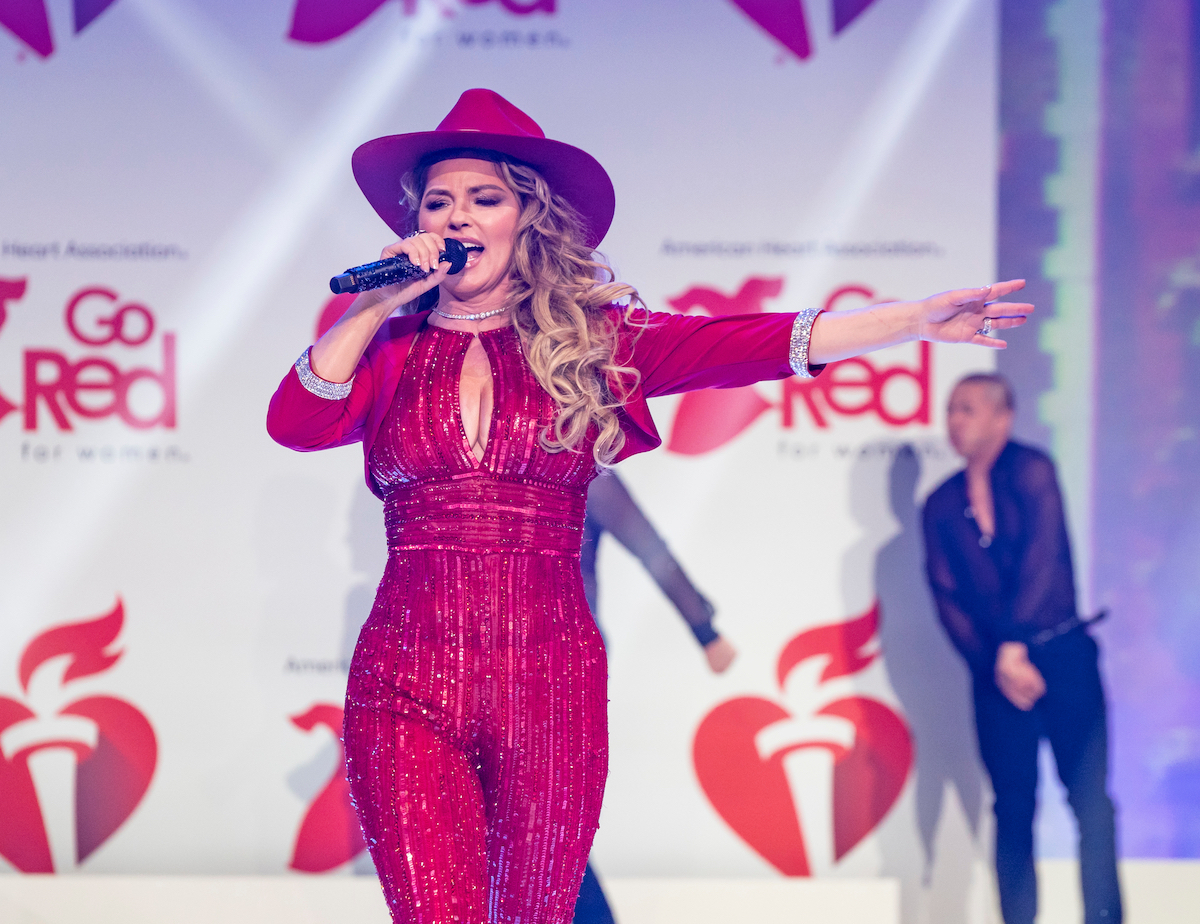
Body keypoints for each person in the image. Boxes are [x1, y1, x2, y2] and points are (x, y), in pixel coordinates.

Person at [266, 88, 1031, 924]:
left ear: (528, 216)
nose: (457, 218)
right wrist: (375, 302)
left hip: (547, 688)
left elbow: (746, 344)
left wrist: (911, 320)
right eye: (439, 202)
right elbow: (294, 423)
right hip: (405, 686)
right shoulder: (386, 346)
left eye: (484, 199)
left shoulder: (588, 341)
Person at [921, 374, 1121, 924]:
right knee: (1012, 808)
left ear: (1002, 418)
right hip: (995, 674)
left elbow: (1043, 560)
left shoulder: (1033, 471)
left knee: (1091, 804)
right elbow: (946, 596)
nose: (954, 421)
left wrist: (1014, 643)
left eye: (967, 409)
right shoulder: (940, 504)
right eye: (951, 410)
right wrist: (997, 663)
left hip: (1062, 656)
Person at [575, 470, 734, 924]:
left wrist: (704, 630)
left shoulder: (584, 470)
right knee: (525, 819)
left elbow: (650, 549)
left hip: (565, 667)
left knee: (544, 818)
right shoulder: (490, 464)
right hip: (490, 664)